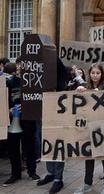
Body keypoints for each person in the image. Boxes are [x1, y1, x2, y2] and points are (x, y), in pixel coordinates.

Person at [73, 64, 104, 194]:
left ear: (102, 74)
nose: (95, 75)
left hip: (103, 127)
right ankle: (87, 183)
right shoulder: (86, 87)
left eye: (98, 73)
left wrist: (93, 92)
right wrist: (80, 90)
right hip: (89, 127)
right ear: (89, 74)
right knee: (89, 157)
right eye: (93, 73)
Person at [37, 58, 76, 194]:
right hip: (45, 111)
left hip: (59, 113)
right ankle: (50, 173)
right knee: (47, 143)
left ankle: (58, 179)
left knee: (58, 145)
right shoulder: (40, 71)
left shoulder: (60, 75)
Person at [3, 63, 38, 186]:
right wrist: (8, 109)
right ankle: (15, 173)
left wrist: (27, 106)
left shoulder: (35, 81)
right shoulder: (10, 82)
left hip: (28, 118)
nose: (20, 70)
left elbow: (38, 99)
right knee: (13, 147)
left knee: (29, 146)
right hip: (13, 118)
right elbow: (2, 97)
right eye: (19, 68)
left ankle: (32, 171)